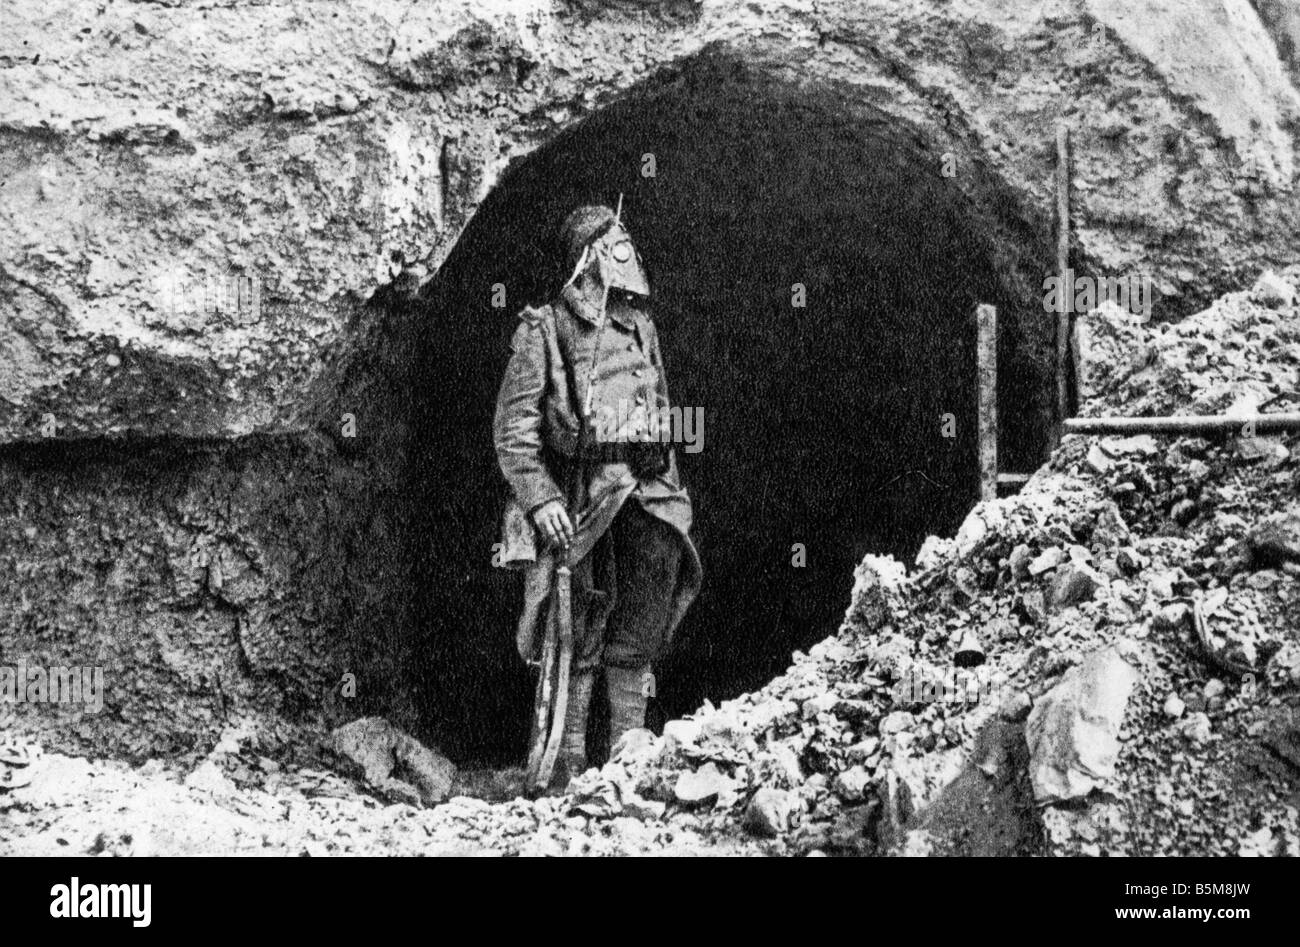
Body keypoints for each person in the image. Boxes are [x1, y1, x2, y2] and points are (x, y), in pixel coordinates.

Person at [493, 204, 701, 786]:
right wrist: (541, 500)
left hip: (648, 495)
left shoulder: (642, 325)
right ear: (589, 257)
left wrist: (663, 438)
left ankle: (629, 762)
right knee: (577, 630)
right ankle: (569, 768)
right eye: (617, 243)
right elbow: (514, 432)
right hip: (584, 501)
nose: (629, 251)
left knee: (640, 626)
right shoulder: (546, 327)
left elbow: (660, 406)